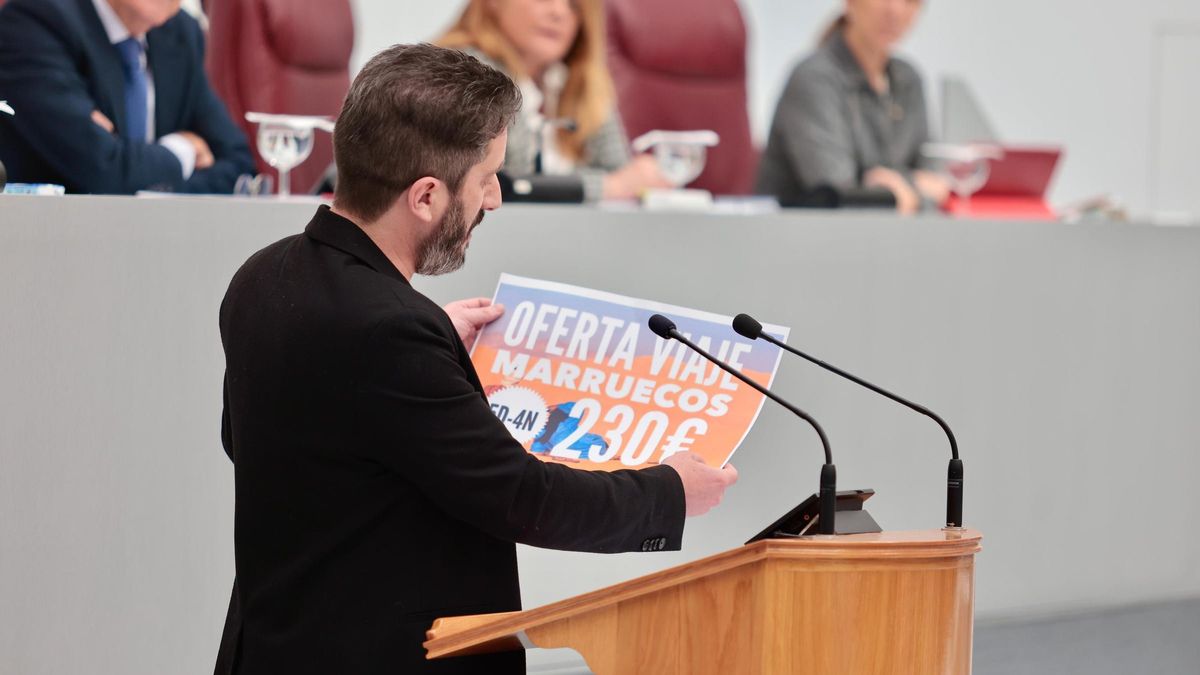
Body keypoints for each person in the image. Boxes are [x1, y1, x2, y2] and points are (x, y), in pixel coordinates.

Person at [213, 44, 737, 674]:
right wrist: (670, 493)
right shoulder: (388, 331)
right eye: (486, 176)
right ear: (427, 195)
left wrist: (432, 354)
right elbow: (525, 499)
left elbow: (255, 440)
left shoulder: (264, 275)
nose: (493, 199)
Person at [0, 0, 253, 194]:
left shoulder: (181, 33)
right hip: (56, 241)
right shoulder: (34, 21)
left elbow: (239, 165)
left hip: (160, 240)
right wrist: (183, 151)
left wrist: (151, 185)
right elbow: (102, 171)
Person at [437, 0, 670, 201]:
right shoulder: (463, 71)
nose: (559, 12)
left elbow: (620, 170)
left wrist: (626, 182)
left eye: (573, 5)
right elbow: (508, 183)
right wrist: (610, 187)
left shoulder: (580, 81)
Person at [755, 0, 950, 214]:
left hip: (886, 239)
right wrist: (905, 189)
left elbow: (937, 184)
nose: (894, 10)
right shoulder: (814, 79)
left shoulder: (908, 80)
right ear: (850, 3)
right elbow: (839, 193)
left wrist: (896, 186)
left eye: (909, 1)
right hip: (805, 237)